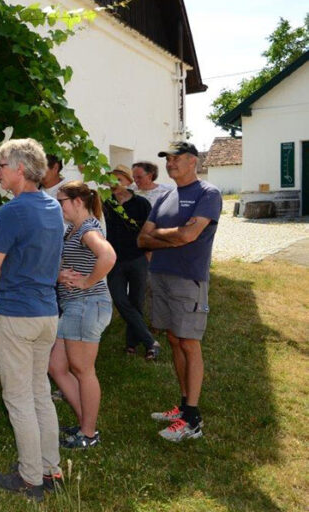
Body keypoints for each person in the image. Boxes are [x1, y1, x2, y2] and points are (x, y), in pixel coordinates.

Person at [0, 138, 65, 502]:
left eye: (1, 166)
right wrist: (1, 233)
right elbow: (32, 248)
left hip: (16, 315)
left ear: (19, 169)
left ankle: (31, 479)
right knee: (40, 395)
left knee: (18, 399)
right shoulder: (52, 206)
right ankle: (52, 470)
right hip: (47, 313)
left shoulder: (11, 211)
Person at [138, 141, 222, 442]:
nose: (170, 163)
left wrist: (161, 235)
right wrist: (171, 237)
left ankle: (193, 419)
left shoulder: (207, 194)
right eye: (168, 159)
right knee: (174, 339)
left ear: (192, 162)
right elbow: (141, 239)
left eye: (176, 159)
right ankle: (185, 403)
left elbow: (189, 235)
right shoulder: (166, 196)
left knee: (189, 342)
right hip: (161, 274)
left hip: (188, 278)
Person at [48, 181, 116, 450]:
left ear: (78, 201)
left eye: (62, 200)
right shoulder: (73, 230)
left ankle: (88, 434)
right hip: (76, 308)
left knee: (83, 370)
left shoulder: (87, 229)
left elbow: (108, 256)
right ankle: (85, 423)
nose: (59, 206)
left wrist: (88, 282)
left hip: (87, 305)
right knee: (57, 367)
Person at [103, 165, 159, 360]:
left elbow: (150, 231)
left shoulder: (142, 203)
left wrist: (148, 257)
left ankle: (132, 344)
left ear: (128, 182)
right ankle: (150, 340)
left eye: (118, 179)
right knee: (119, 300)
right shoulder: (105, 204)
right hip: (114, 262)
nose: (113, 183)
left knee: (136, 302)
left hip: (138, 259)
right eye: (110, 179)